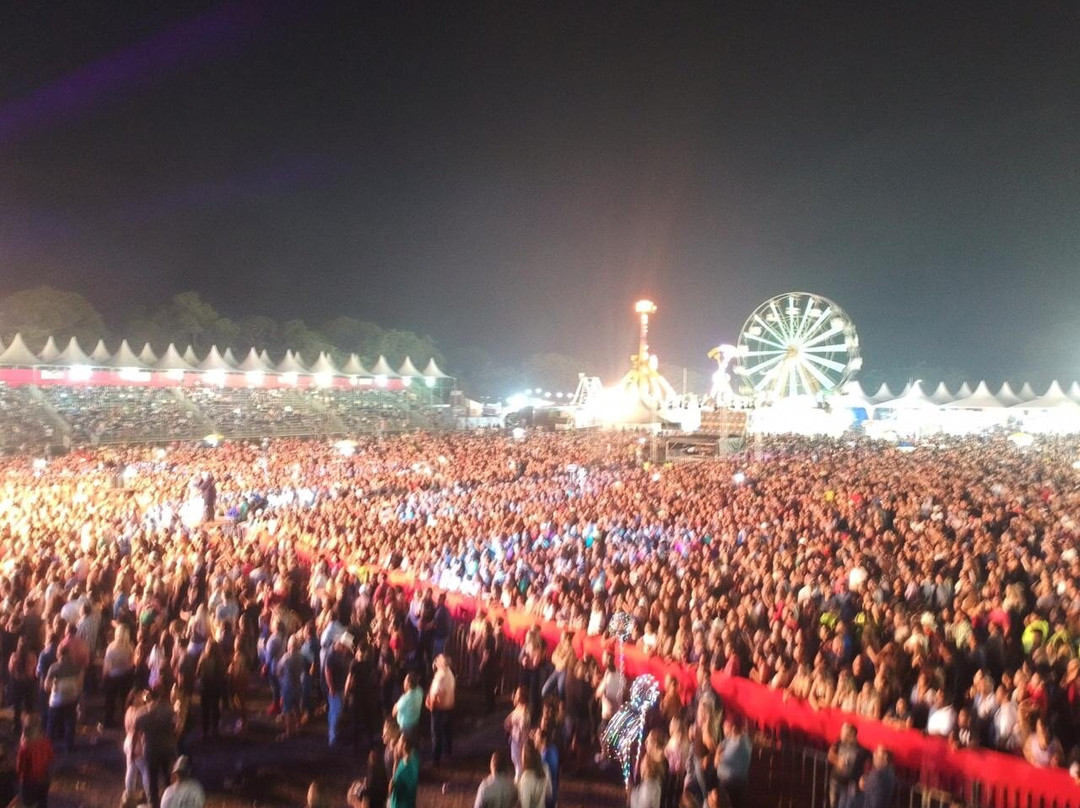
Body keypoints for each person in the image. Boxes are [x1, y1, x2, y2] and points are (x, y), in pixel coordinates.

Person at [135, 688, 178, 808]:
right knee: (167, 776)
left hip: (150, 750)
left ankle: (154, 803)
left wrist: (135, 748)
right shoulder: (168, 711)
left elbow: (135, 733)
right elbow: (176, 726)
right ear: (159, 698)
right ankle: (169, 802)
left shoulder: (141, 713)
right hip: (166, 748)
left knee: (152, 779)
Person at [43, 645, 80, 754]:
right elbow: (79, 683)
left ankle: (47, 747)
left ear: (58, 654)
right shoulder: (75, 667)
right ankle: (69, 748)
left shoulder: (54, 668)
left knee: (51, 724)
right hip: (71, 698)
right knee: (70, 724)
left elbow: (46, 687)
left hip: (57, 701)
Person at [827, 723, 868, 808]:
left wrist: (864, 776)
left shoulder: (862, 751)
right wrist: (837, 761)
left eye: (844, 733)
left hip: (850, 785)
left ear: (852, 734)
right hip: (836, 782)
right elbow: (830, 755)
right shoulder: (838, 743)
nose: (841, 735)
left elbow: (868, 765)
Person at [16, 717, 53, 808]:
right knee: (42, 802)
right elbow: (51, 757)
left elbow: (20, 767)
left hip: (29, 781)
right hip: (44, 779)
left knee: (28, 804)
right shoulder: (46, 741)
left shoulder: (25, 748)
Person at [426, 654, 456, 765]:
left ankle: (435, 759)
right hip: (449, 707)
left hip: (439, 709)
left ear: (442, 663)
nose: (436, 661)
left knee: (437, 735)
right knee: (447, 732)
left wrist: (431, 706)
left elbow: (436, 693)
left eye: (438, 660)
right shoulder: (449, 673)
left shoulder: (441, 676)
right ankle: (448, 753)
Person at [717, 716, 752, 808]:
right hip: (727, 782)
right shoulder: (732, 738)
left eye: (725, 726)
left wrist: (717, 757)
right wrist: (718, 752)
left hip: (733, 784)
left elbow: (719, 762)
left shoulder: (739, 745)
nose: (723, 728)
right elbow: (722, 744)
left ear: (733, 728)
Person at [517, 740, 552, 808]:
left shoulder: (526, 778)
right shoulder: (545, 768)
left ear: (524, 757)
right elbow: (549, 793)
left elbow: (525, 805)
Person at [389, 734, 419, 808]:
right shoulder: (414, 758)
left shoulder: (402, 771)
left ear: (404, 745)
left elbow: (392, 786)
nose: (396, 745)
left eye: (398, 742)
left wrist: (395, 761)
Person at [392, 672, 424, 739]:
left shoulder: (405, 699)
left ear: (408, 684)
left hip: (405, 729)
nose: (403, 682)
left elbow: (393, 713)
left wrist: (396, 704)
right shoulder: (420, 690)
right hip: (415, 724)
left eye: (405, 681)